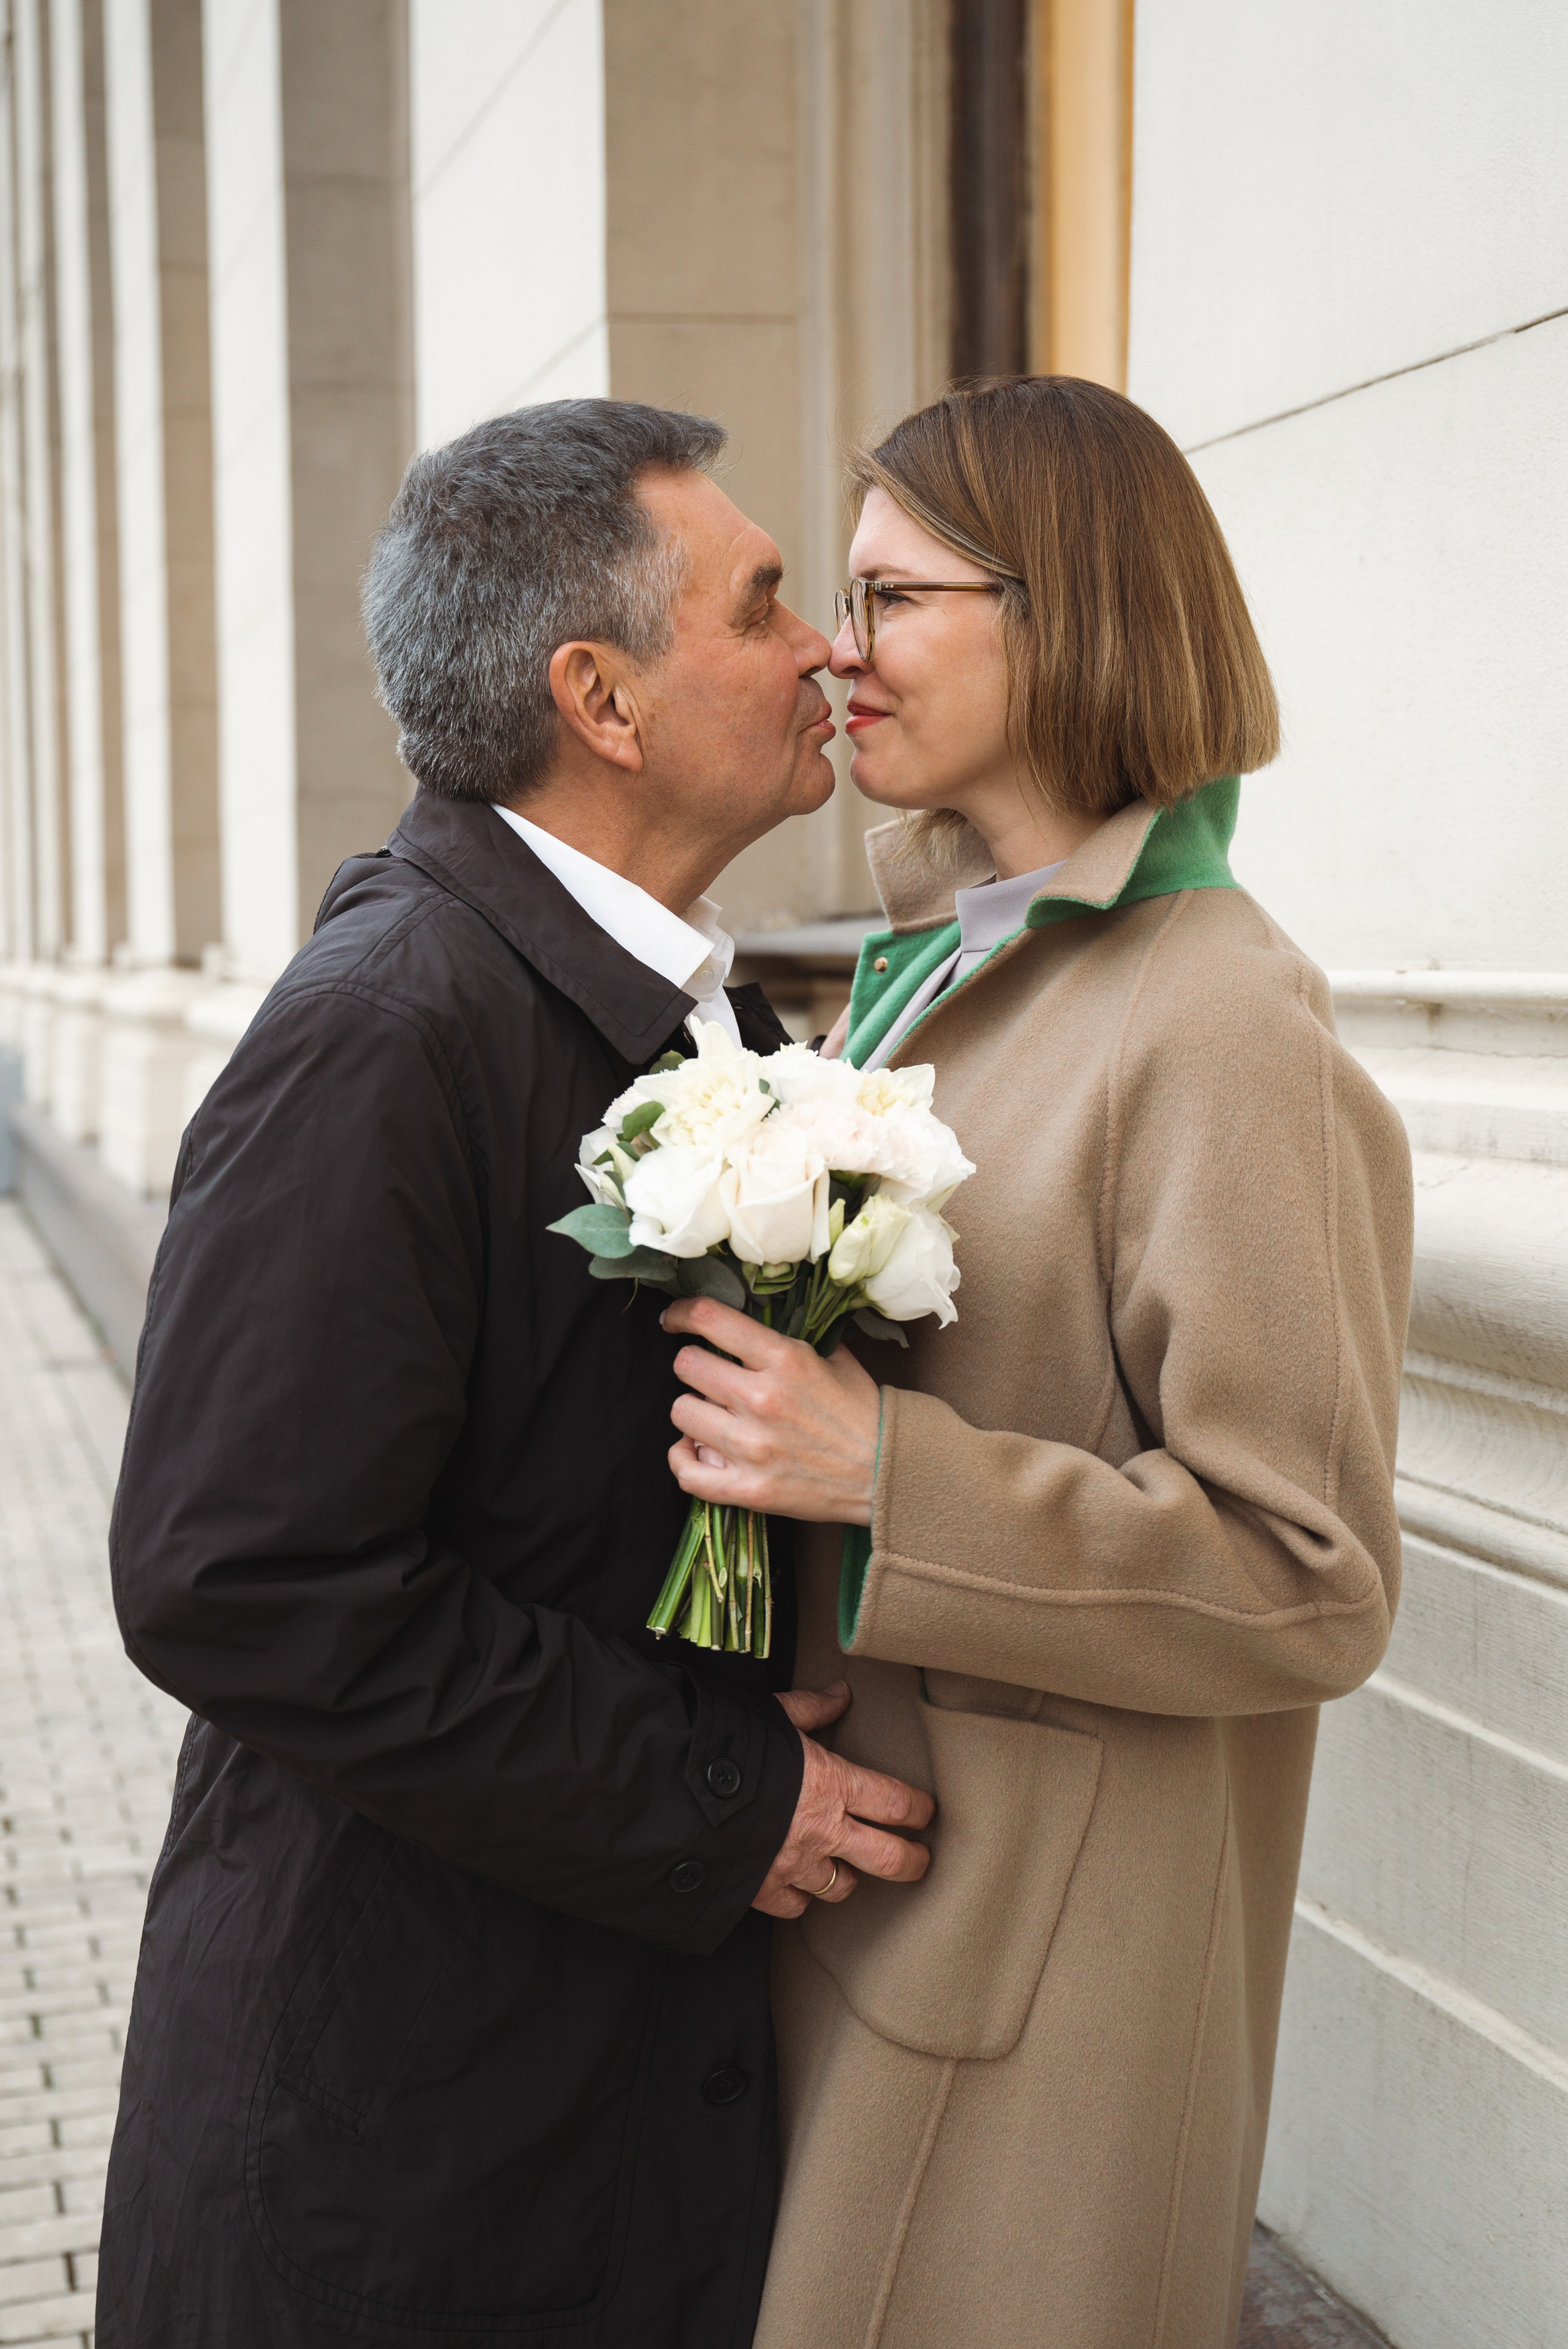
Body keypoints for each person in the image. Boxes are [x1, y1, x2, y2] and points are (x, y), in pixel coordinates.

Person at [96, 399, 933, 2349]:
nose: (826, 646)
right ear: (603, 700)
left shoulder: (682, 1008)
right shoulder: (388, 1030)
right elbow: (242, 1572)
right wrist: (724, 1794)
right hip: (401, 2167)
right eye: (765, 601)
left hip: (579, 2103)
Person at [658, 377, 1414, 2349]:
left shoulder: (1226, 1021)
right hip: (878, 1908)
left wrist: (881, 1474)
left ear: (1059, 607)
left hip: (1048, 1990)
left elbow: (1306, 1574)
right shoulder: (942, 965)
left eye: (894, 596)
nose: (841, 648)